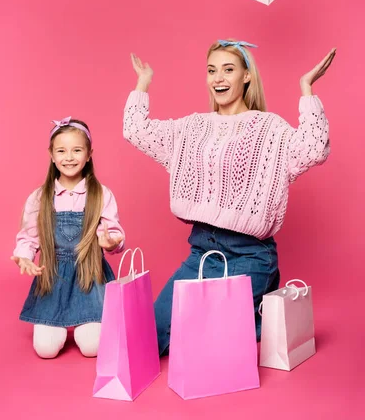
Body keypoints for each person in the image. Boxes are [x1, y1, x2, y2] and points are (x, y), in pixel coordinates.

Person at [123, 39, 335, 355]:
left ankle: (256, 315)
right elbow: (135, 131)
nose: (218, 78)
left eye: (228, 69)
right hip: (202, 251)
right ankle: (254, 317)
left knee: (211, 350)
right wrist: (143, 83)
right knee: (148, 340)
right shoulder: (193, 127)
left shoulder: (270, 128)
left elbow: (315, 148)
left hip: (250, 254)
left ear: (246, 76)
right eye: (212, 70)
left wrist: (307, 89)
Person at [11, 117, 124, 359]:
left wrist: (112, 242)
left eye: (77, 150)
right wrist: (24, 257)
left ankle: (87, 323)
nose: (69, 157)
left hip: (89, 277)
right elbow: (29, 237)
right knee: (46, 350)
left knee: (93, 348)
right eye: (61, 151)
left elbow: (113, 233)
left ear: (89, 154)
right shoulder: (40, 197)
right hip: (54, 278)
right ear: (51, 155)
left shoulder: (101, 194)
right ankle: (57, 324)